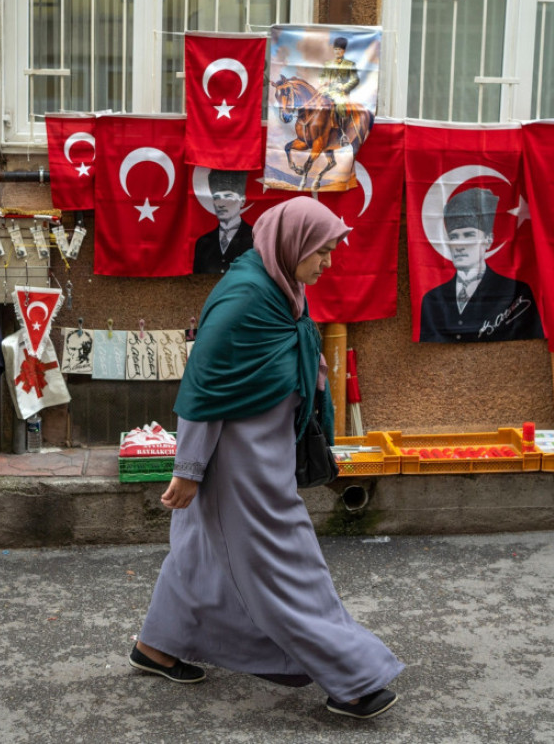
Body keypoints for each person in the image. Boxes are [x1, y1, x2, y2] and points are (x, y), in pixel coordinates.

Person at [129, 197, 404, 720]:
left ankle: (156, 646)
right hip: (238, 466)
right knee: (287, 566)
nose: (328, 262)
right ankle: (353, 681)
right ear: (292, 243)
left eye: (330, 251)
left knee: (201, 554)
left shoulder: (281, 286)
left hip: (263, 455)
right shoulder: (245, 298)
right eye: (321, 251)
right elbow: (203, 390)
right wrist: (188, 471)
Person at [419, 187, 543, 342]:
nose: (460, 245)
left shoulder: (517, 291)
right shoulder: (432, 298)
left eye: (469, 235)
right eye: (454, 237)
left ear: (488, 240)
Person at [193, 169, 253, 274]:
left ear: (242, 201)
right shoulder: (202, 243)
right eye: (217, 198)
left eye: (228, 197)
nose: (221, 204)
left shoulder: (255, 238)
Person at [319, 36, 360, 144]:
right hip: (327, 90)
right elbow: (322, 76)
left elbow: (355, 79)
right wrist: (323, 82)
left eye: (340, 49)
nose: (337, 51)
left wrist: (344, 86)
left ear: (344, 51)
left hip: (340, 92)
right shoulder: (328, 64)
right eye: (336, 49)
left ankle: (343, 134)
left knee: (340, 106)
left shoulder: (350, 64)